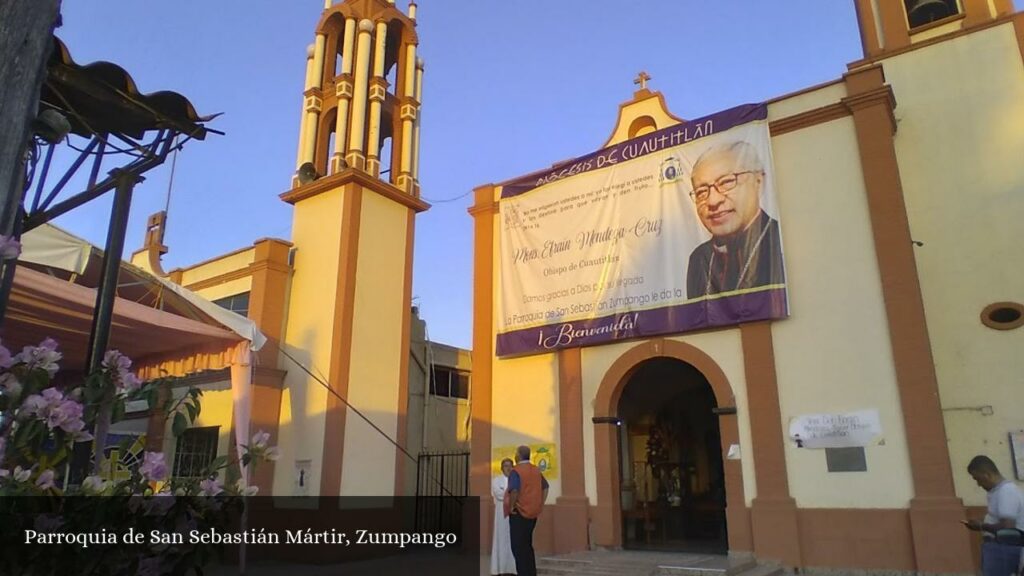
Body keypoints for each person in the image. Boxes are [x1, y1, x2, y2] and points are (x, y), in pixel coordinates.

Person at [686, 141, 785, 299]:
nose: (713, 201)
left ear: (758, 182)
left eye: (726, 182)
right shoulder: (699, 258)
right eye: (701, 192)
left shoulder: (780, 241)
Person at [964, 455, 1024, 576]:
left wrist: (981, 526)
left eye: (977, 479)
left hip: (1003, 548)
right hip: (999, 547)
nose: (978, 484)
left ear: (986, 474)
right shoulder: (998, 491)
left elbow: (1008, 528)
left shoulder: (1006, 491)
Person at [506, 445, 548, 576]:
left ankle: (523, 573)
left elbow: (514, 490)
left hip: (519, 512)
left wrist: (511, 506)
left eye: (516, 452)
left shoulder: (516, 471)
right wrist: (540, 503)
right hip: (533, 513)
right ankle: (531, 572)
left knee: (518, 547)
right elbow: (546, 487)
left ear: (518, 455)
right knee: (528, 545)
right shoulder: (536, 470)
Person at [491, 458, 517, 575]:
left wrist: (512, 495)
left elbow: (518, 493)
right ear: (502, 468)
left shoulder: (515, 480)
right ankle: (500, 568)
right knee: (501, 539)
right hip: (501, 514)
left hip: (514, 512)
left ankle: (512, 569)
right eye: (505, 466)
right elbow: (499, 494)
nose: (508, 468)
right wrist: (512, 494)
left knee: (513, 539)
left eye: (510, 465)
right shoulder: (496, 480)